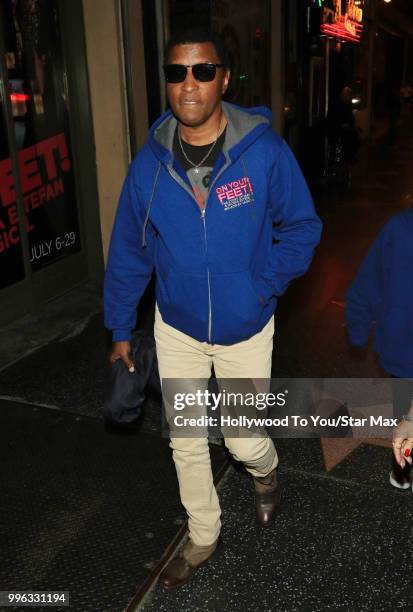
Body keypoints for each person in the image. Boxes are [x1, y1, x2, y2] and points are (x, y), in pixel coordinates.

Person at [104, 28, 322, 588]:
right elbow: (130, 248)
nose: (189, 84)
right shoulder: (149, 165)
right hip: (176, 327)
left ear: (224, 78)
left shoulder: (264, 153)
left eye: (203, 71)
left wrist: (264, 285)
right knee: (187, 436)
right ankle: (203, 534)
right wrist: (120, 326)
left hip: (246, 325)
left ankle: (267, 474)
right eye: (177, 73)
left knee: (246, 438)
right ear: (167, 83)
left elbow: (302, 226)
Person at [345, 208, 413, 491]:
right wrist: (358, 328)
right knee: (404, 400)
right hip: (403, 347)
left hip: (401, 342)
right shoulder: (400, 228)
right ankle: (404, 465)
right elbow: (369, 280)